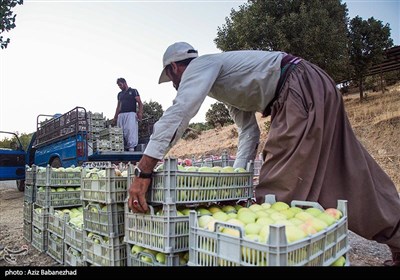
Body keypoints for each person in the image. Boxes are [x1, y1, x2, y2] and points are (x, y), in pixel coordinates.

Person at [128, 42, 400, 266]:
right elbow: (249, 133)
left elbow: (180, 111)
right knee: (348, 170)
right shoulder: (226, 84)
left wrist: (145, 170)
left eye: (172, 77)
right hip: (313, 84)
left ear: (175, 67)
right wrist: (235, 177)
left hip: (298, 86)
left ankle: (272, 257)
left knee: (277, 187)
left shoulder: (202, 65)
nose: (174, 84)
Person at [113, 78, 143, 151]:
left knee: (130, 131)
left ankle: (131, 149)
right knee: (120, 132)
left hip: (131, 114)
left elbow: (140, 102)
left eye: (120, 85)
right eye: (118, 85)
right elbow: (118, 106)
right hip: (121, 114)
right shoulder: (120, 94)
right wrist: (115, 117)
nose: (120, 87)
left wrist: (140, 113)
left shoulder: (133, 91)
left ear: (124, 83)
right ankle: (121, 148)